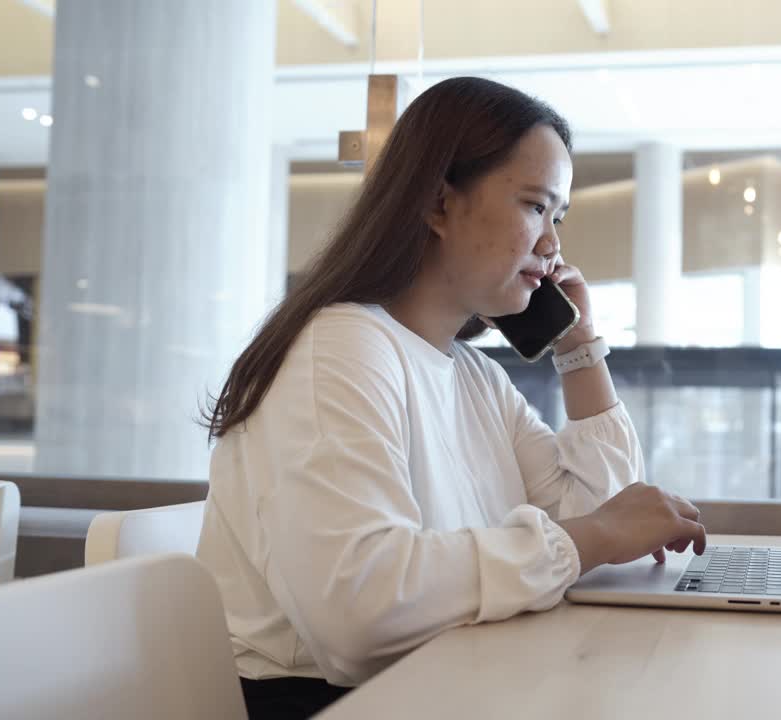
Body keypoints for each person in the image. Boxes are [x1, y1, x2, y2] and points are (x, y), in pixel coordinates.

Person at [195, 76, 708, 720]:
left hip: (441, 685)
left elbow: (599, 521)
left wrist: (578, 347)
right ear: (438, 204)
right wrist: (594, 535)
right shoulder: (338, 350)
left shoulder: (472, 375)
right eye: (534, 206)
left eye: (559, 216)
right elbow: (359, 613)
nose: (552, 244)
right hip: (329, 703)